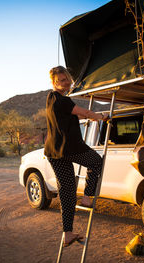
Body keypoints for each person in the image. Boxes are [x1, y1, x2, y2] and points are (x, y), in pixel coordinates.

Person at [45, 66, 108, 247]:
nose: (66, 82)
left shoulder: (50, 98)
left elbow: (60, 122)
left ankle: (68, 233)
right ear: (54, 83)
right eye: (62, 80)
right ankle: (88, 197)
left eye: (67, 79)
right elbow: (85, 113)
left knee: (67, 191)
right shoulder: (62, 100)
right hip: (70, 148)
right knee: (97, 162)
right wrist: (100, 117)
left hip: (54, 152)